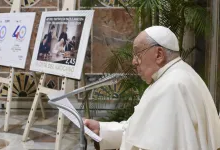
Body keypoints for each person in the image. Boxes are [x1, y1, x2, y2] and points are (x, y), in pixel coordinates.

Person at [84, 26, 220, 150]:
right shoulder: (174, 76)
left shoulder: (173, 86)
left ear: (159, 54)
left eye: (137, 54)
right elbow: (139, 129)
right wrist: (101, 129)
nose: (133, 61)